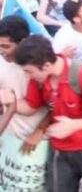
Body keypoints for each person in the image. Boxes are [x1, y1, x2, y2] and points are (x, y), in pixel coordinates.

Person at [0, 35, 82, 191]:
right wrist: (11, 102)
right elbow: (30, 107)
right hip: (61, 148)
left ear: (46, 66)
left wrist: (73, 125)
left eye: (29, 71)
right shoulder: (39, 78)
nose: (28, 76)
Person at [0, 16, 49, 175]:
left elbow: (57, 106)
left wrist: (40, 131)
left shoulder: (43, 66)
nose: (1, 51)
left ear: (23, 42)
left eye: (5, 46)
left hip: (42, 142)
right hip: (10, 140)